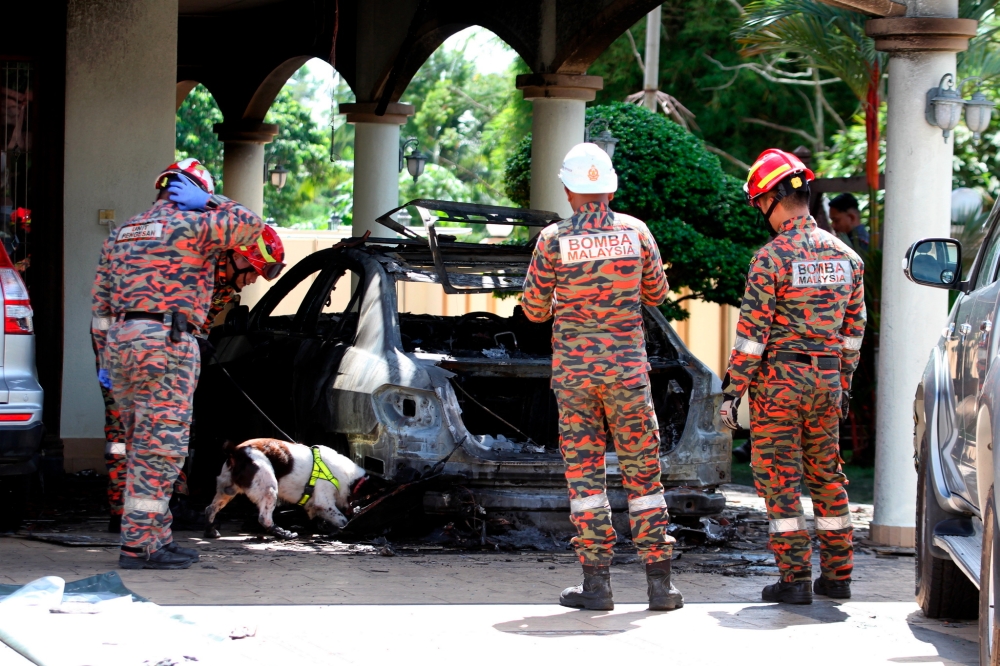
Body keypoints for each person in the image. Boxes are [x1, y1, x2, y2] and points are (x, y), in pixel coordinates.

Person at [91, 158, 285, 570]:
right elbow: (251, 224)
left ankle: (153, 538)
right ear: (190, 191)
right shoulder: (194, 225)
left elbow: (101, 309)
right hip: (168, 343)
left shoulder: (123, 232)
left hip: (122, 346)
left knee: (137, 448)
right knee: (159, 453)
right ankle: (139, 547)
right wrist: (210, 200)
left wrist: (104, 358)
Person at [522, 143, 681, 612]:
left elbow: (532, 311)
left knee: (587, 482)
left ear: (570, 190)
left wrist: (564, 304)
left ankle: (597, 586)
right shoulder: (637, 232)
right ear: (609, 187)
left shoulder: (552, 239)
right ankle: (660, 586)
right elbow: (657, 292)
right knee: (644, 477)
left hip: (575, 379)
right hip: (629, 375)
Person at [720, 148, 866, 604]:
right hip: (827, 382)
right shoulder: (848, 258)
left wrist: (732, 391)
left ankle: (795, 579)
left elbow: (751, 338)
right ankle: (838, 576)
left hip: (779, 385)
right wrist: (841, 384)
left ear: (770, 199)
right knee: (827, 476)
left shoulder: (771, 258)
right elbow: (853, 334)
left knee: (781, 479)